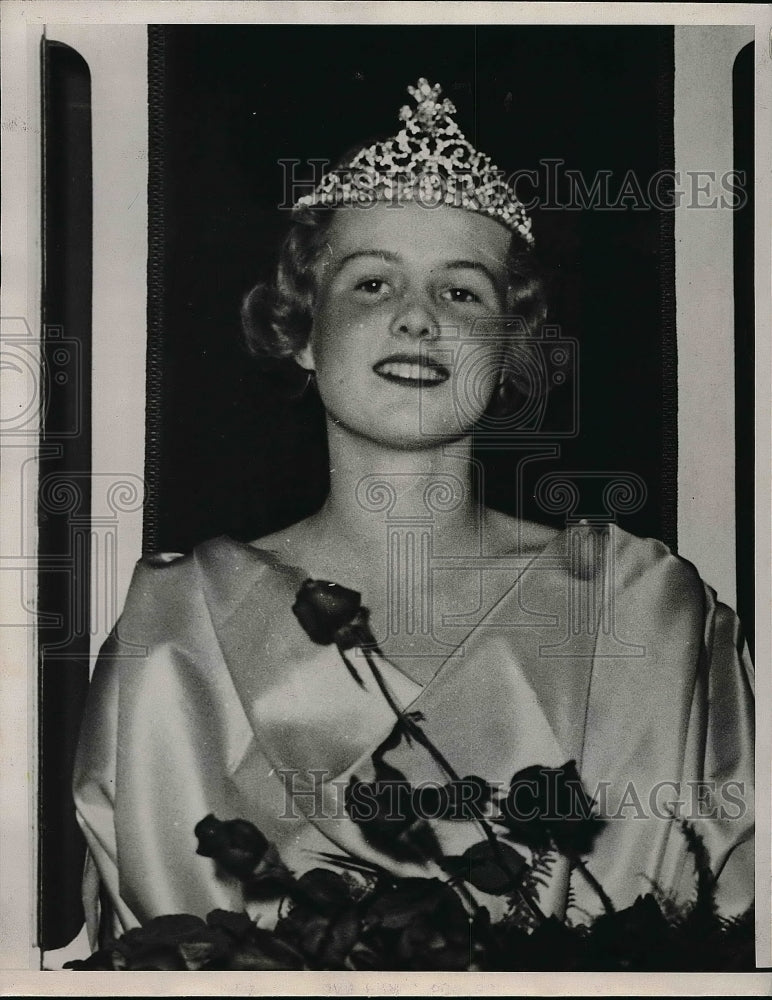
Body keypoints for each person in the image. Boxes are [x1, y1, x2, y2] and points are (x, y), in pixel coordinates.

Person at [73, 78, 754, 952]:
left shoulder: (648, 608)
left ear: (511, 348)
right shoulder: (174, 625)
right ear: (303, 333)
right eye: (370, 283)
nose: (418, 319)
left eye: (462, 292)